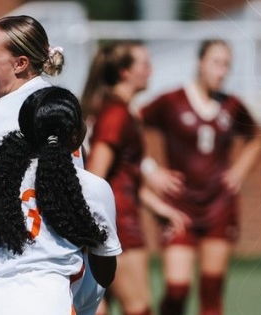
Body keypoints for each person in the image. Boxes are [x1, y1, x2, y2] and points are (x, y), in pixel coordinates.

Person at [0, 87, 122, 315]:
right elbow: (104, 274)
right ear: (75, 134)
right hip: (51, 303)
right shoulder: (92, 187)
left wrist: (6, 252)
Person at [140, 39, 261, 315]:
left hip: (219, 205)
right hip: (179, 206)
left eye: (226, 66)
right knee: (177, 290)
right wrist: (151, 170)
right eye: (216, 63)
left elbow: (256, 139)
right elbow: (132, 124)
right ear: (200, 63)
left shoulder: (232, 106)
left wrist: (240, 170)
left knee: (211, 293)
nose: (222, 71)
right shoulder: (171, 101)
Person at [83, 41, 189, 315]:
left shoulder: (123, 112)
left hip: (121, 221)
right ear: (124, 72)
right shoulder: (116, 115)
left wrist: (160, 209)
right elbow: (95, 177)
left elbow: (125, 176)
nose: (150, 70)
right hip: (118, 227)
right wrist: (98, 233)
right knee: (138, 308)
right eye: (144, 64)